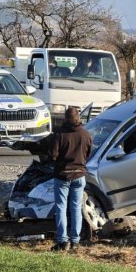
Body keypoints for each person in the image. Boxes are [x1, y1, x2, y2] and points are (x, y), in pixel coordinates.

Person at [49, 106, 93, 251]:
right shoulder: (86, 134)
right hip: (80, 175)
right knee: (76, 208)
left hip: (62, 175)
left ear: (66, 118)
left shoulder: (59, 134)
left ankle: (63, 241)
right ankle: (75, 241)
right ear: (78, 118)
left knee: (61, 207)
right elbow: (88, 154)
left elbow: (53, 155)